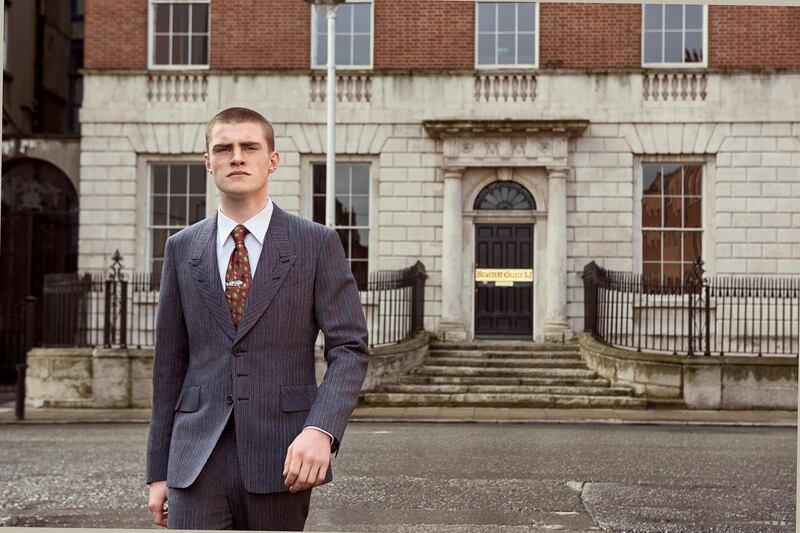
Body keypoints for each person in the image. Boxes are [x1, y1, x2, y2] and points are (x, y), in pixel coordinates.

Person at [145, 107, 369, 530]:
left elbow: (350, 348)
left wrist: (321, 430)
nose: (237, 157)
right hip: (195, 460)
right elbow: (168, 365)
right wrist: (159, 471)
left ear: (272, 160)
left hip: (282, 455)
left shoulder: (316, 243)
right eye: (223, 148)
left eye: (250, 146)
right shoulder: (181, 247)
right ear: (208, 162)